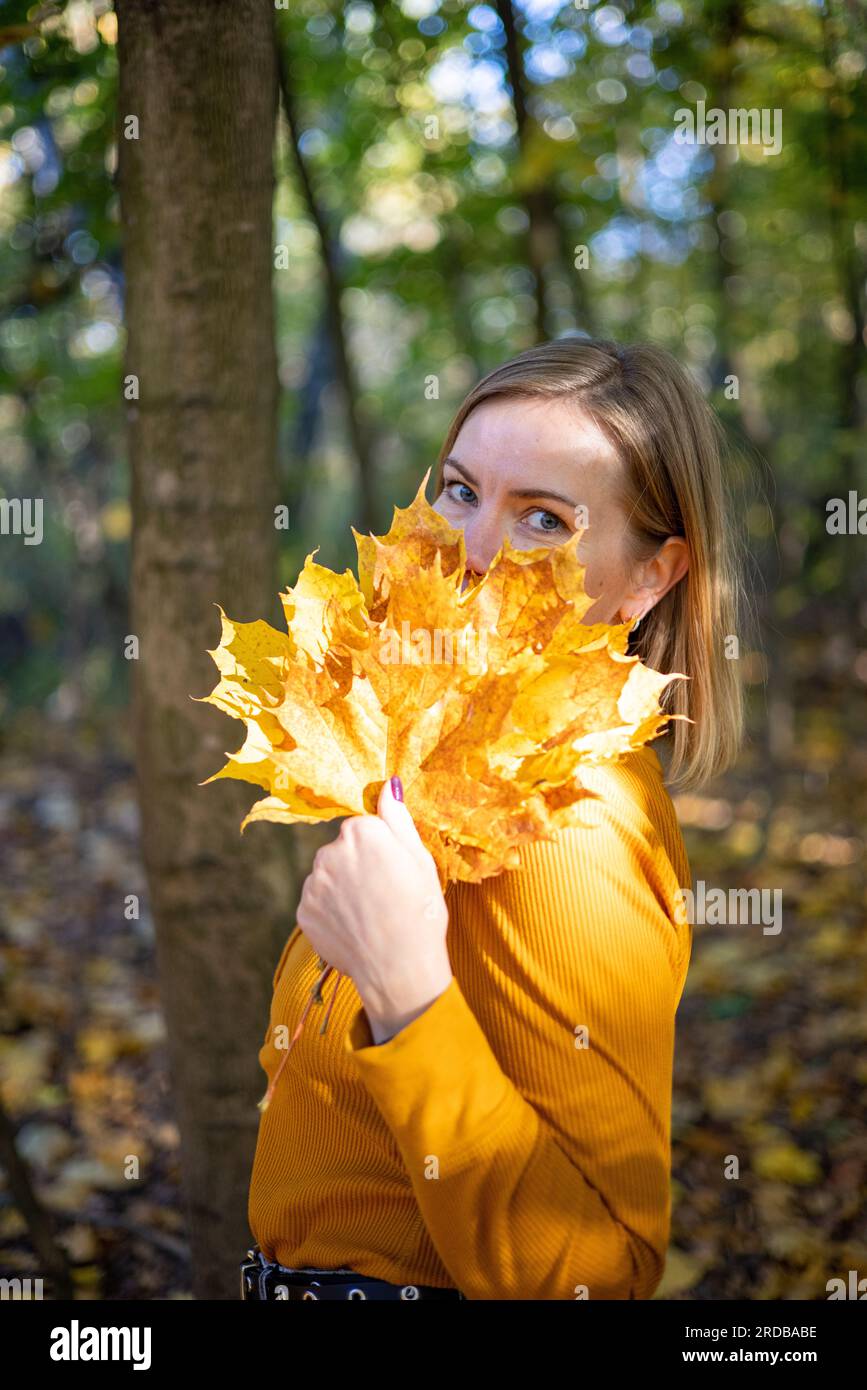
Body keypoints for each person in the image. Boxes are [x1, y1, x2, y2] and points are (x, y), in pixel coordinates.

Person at [240, 337, 748, 1301]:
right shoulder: (445, 764)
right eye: (463, 492)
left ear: (651, 574)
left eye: (545, 520)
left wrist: (407, 995)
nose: (470, 553)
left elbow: (604, 1269)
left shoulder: (572, 828)